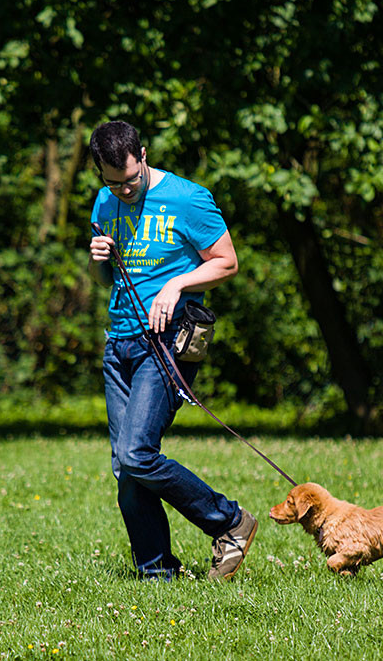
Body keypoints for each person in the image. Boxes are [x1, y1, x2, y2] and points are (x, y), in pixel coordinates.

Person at [86, 120, 257, 581]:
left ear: (143, 155)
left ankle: (229, 522)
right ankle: (157, 572)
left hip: (165, 342)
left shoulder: (188, 198)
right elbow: (105, 280)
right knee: (127, 466)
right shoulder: (104, 201)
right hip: (118, 343)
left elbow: (227, 262)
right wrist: (98, 260)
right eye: (111, 182)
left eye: (130, 179)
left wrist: (177, 284)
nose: (122, 190)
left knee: (138, 452)